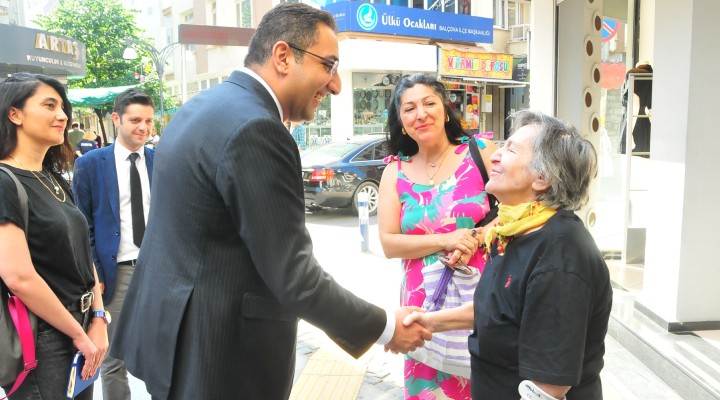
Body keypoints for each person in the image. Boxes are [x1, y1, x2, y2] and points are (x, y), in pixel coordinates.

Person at [108, 4, 431, 399]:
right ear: (282, 56)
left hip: (173, 343)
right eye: (328, 65)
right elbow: (295, 277)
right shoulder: (258, 128)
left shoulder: (201, 107)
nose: (335, 85)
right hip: (219, 361)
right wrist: (385, 327)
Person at [403, 110, 613, 400]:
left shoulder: (559, 257)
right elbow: (499, 311)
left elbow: (548, 388)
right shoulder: (513, 231)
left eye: (510, 149)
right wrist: (430, 322)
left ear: (542, 178)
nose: (494, 156)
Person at [378, 73, 497, 399]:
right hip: (424, 309)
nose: (421, 114)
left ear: (446, 109)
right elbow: (389, 244)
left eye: (429, 103)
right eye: (409, 108)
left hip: (480, 304)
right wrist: (446, 239)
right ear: (401, 121)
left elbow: (519, 211)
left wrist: (476, 235)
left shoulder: (481, 153)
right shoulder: (395, 172)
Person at [0, 72, 108, 399]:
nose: (62, 115)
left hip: (83, 325)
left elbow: (81, 252)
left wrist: (99, 318)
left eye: (63, 107)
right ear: (14, 113)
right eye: (49, 105)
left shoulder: (52, 178)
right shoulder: (5, 181)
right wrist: (79, 335)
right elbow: (18, 276)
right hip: (43, 337)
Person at [72, 88, 155, 400]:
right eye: (135, 120)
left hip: (156, 271)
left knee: (162, 349)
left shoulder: (159, 160)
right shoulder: (91, 164)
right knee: (113, 356)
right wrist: (96, 276)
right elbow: (83, 225)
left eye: (148, 121)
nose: (143, 127)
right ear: (116, 119)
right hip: (114, 274)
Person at [619, 61, 652, 155]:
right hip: (645, 126)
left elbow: (634, 102)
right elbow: (651, 112)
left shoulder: (633, 73)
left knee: (628, 160)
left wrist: (630, 132)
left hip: (632, 122)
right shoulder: (652, 78)